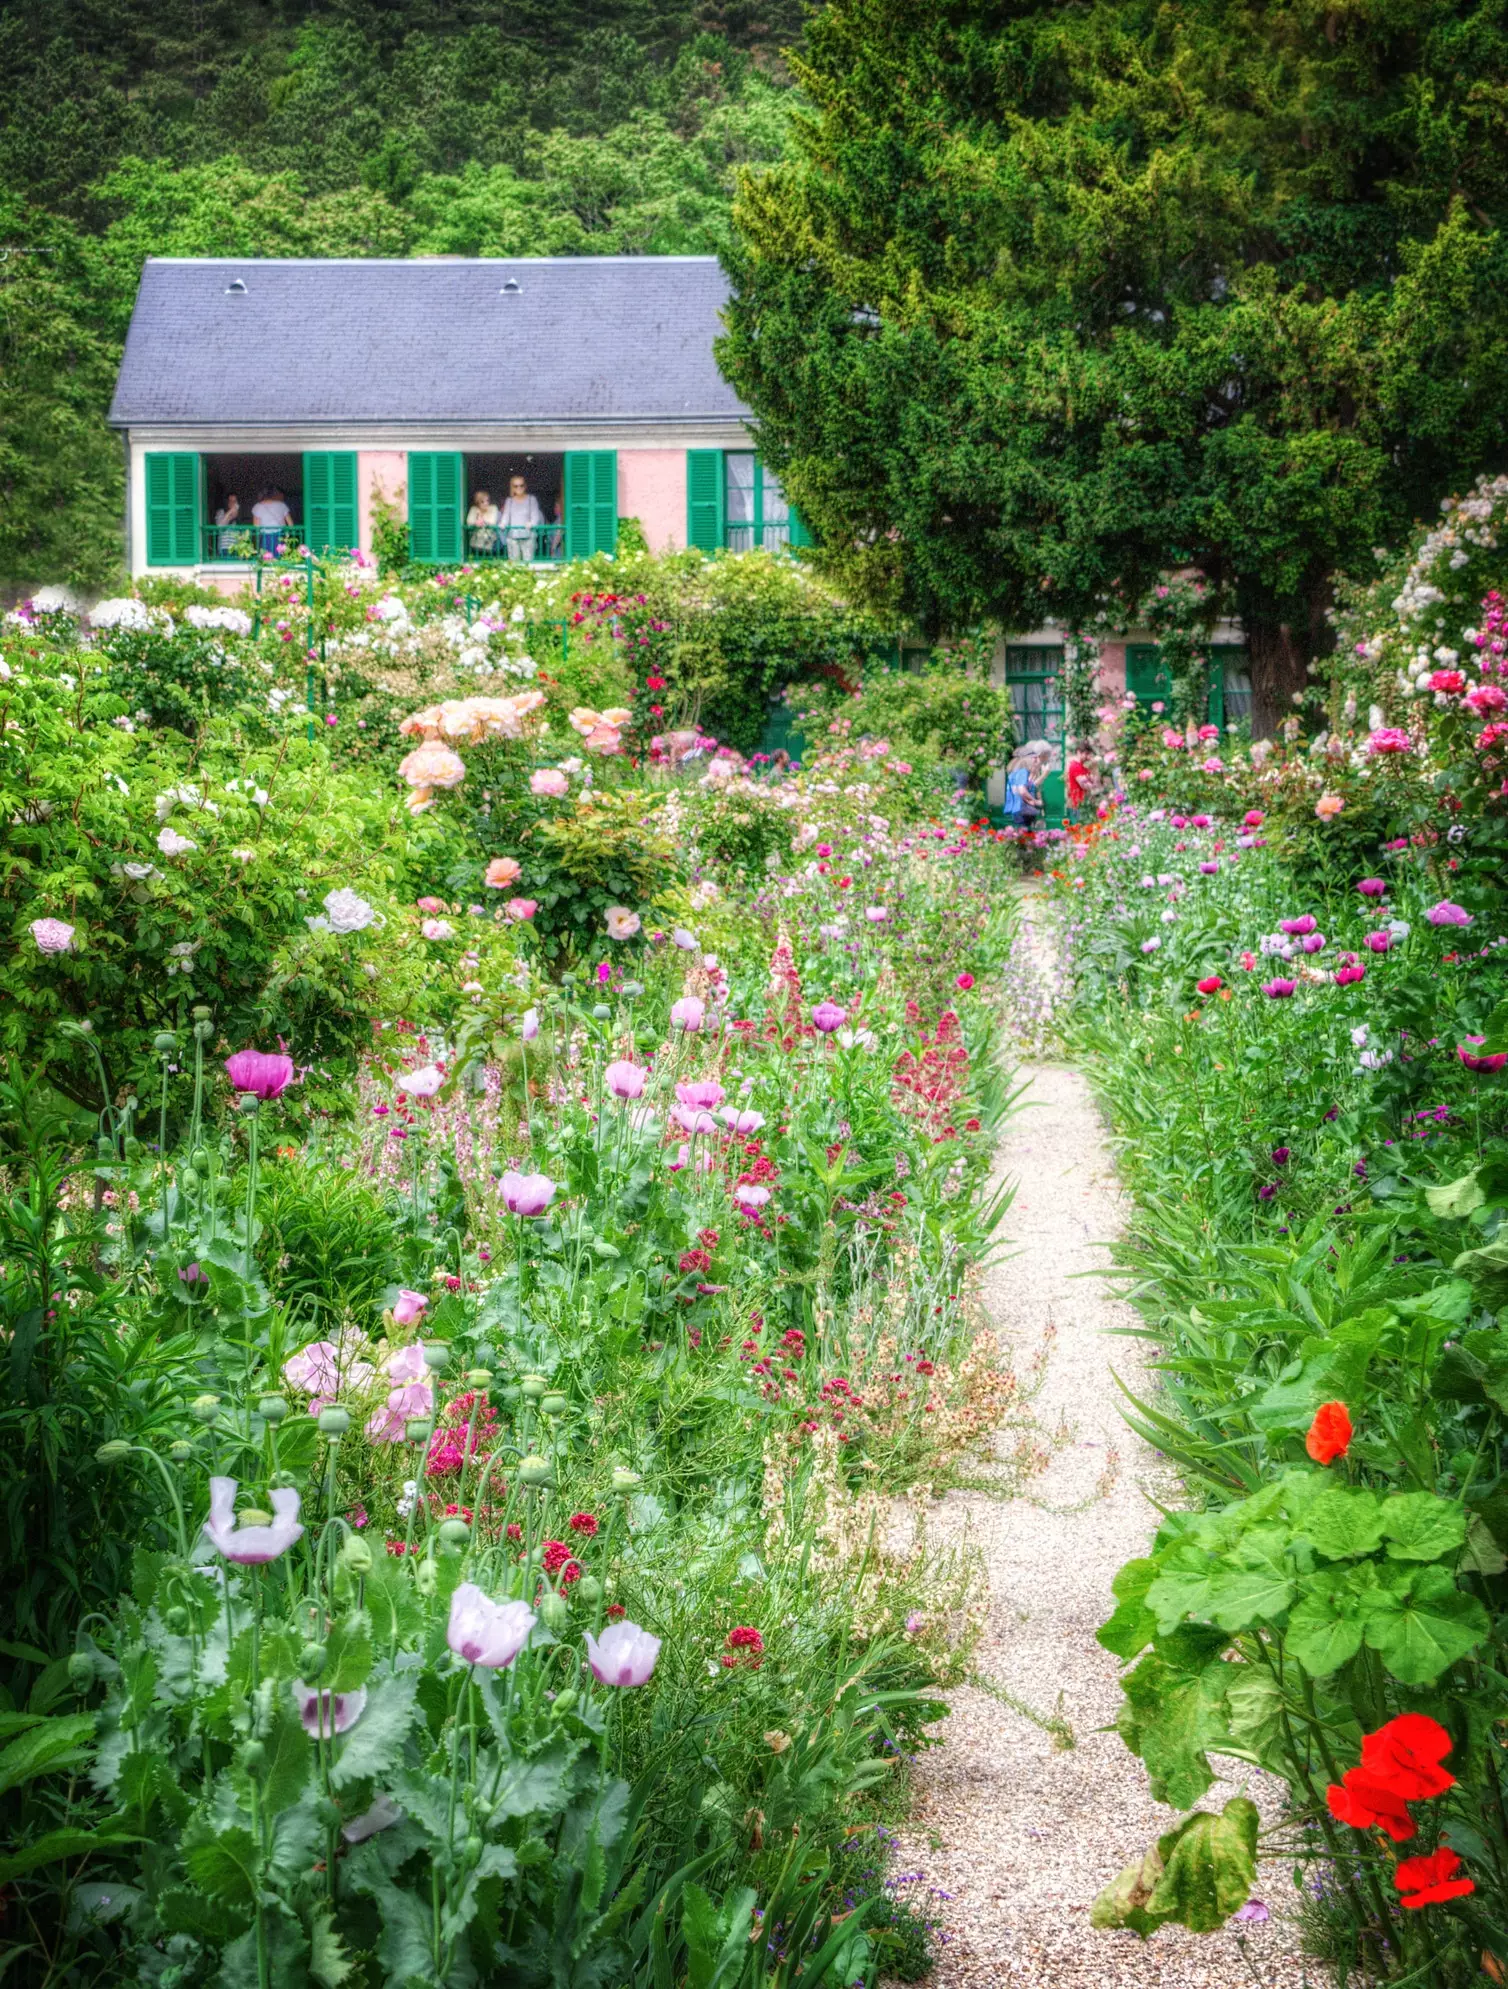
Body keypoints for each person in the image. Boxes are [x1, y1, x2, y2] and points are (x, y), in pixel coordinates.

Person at [499, 474, 544, 562]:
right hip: (513, 536)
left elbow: (535, 516)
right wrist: (503, 523)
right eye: (516, 486)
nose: (519, 488)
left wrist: (532, 523)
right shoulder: (509, 501)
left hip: (528, 536)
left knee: (528, 563)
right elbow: (506, 516)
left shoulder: (532, 499)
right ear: (512, 487)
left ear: (525, 486)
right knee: (514, 564)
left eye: (521, 485)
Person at [1002, 745, 1048, 829]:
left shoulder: (1015, 773)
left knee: (1023, 836)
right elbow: (1022, 791)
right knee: (1026, 835)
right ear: (1026, 759)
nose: (1036, 759)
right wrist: (1035, 801)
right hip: (1023, 809)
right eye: (1034, 757)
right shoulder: (1022, 772)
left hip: (1018, 810)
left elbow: (1029, 786)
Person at [251, 486, 293, 552]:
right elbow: (291, 524)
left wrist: (257, 540)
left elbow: (256, 527)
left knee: (267, 558)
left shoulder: (257, 507)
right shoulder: (282, 505)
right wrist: (287, 536)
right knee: (281, 558)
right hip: (280, 535)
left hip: (266, 537)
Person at [467, 490, 500, 556]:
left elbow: (492, 522)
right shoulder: (474, 509)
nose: (486, 503)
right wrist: (476, 521)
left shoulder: (493, 508)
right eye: (482, 502)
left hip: (491, 543)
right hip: (476, 543)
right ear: (477, 502)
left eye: (487, 501)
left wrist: (483, 520)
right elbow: (469, 521)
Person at [213, 494, 242, 558]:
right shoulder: (221, 512)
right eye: (230, 501)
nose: (232, 503)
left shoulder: (239, 516)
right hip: (224, 548)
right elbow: (220, 526)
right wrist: (230, 511)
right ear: (227, 502)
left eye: (234, 501)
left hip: (236, 549)